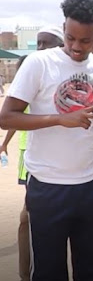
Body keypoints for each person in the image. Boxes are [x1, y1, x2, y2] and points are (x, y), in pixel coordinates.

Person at [0, 0, 93, 280]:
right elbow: (6, 117)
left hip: (90, 187)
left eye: (85, 41)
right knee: (48, 270)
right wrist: (58, 119)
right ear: (64, 28)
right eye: (70, 38)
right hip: (47, 188)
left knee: (90, 268)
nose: (76, 47)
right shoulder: (39, 63)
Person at [0, 25, 65, 281]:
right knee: (28, 220)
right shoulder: (32, 73)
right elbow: (12, 117)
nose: (40, 50)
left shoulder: (70, 82)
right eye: (38, 44)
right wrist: (6, 143)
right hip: (33, 161)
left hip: (68, 172)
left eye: (46, 44)